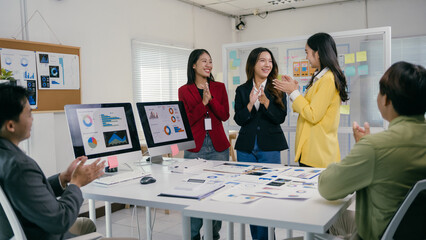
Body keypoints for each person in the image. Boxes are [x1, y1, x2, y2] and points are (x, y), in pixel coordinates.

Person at [318, 61, 426, 239]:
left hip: (376, 235)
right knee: (339, 219)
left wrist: (364, 148)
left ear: (386, 99)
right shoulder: (375, 146)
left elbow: (327, 188)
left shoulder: (375, 148)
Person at [0, 84, 106, 239]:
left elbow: (29, 192)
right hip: (45, 233)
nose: (32, 119)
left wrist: (63, 178)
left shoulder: (6, 157)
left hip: (27, 228)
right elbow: (60, 220)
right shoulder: (19, 166)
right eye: (29, 114)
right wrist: (76, 183)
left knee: (86, 224)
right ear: (10, 125)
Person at [234, 47, 288, 240]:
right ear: (253, 64)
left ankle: (265, 237)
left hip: (270, 147)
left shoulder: (277, 89)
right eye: (262, 61)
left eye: (270, 61)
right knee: (250, 196)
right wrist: (249, 104)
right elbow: (239, 119)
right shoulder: (242, 89)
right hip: (246, 149)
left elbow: (280, 117)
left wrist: (266, 102)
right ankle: (258, 237)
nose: (267, 64)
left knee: (267, 196)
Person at [273, 32, 349, 168]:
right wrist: (294, 91)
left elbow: (313, 115)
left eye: (307, 52)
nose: (306, 56)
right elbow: (304, 108)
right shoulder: (320, 78)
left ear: (318, 53)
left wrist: (293, 92)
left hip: (318, 153)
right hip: (312, 151)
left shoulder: (327, 79)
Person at [178, 49, 230, 240]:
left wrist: (211, 100)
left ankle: (213, 235)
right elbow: (187, 120)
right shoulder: (184, 90)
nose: (208, 65)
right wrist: (203, 102)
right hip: (195, 148)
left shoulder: (219, 87)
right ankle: (193, 236)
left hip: (219, 148)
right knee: (194, 196)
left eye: (210, 61)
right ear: (194, 65)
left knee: (217, 196)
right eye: (203, 61)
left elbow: (224, 115)